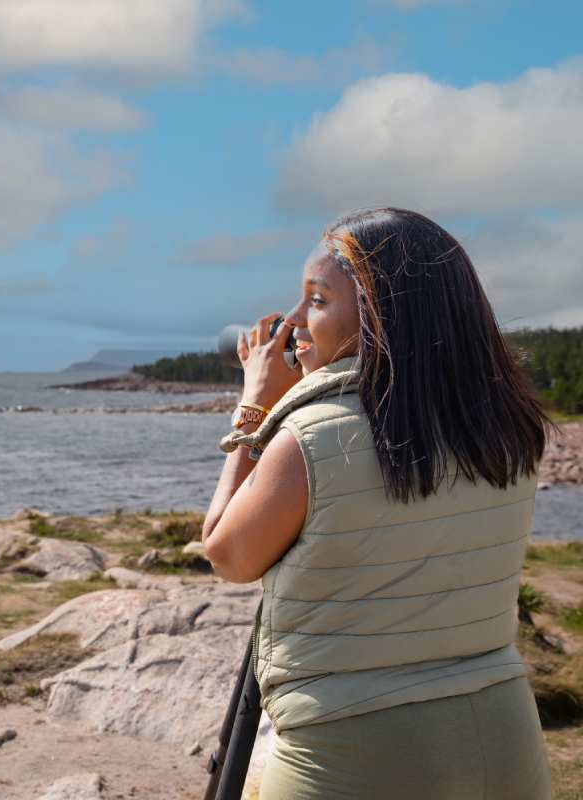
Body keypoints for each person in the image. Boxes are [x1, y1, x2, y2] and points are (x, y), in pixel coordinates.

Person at [201, 207, 553, 799]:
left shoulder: (313, 438)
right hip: (502, 731)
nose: (294, 322)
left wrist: (255, 409)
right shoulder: (506, 427)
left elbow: (228, 555)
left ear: (381, 314)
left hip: (351, 750)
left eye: (316, 300)